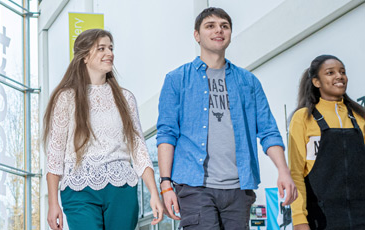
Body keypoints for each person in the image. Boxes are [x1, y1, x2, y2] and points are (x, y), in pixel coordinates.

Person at [156, 7, 298, 229]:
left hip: (239, 189)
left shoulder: (248, 82)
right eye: (210, 26)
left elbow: (268, 130)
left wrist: (283, 171)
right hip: (195, 187)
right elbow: (167, 133)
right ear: (197, 35)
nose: (218, 30)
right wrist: (165, 184)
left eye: (224, 26)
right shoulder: (177, 80)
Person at [44, 29, 164, 230]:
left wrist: (154, 192)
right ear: (84, 56)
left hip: (122, 188)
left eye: (110, 48)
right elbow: (55, 157)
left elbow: (139, 149)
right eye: (101, 48)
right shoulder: (65, 98)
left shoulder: (126, 98)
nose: (109, 53)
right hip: (78, 189)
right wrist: (53, 203)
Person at [287, 55, 365, 230]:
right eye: (330, 73)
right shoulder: (303, 118)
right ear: (316, 82)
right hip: (321, 219)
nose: (339, 76)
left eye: (342, 72)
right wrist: (299, 219)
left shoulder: (360, 117)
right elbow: (296, 173)